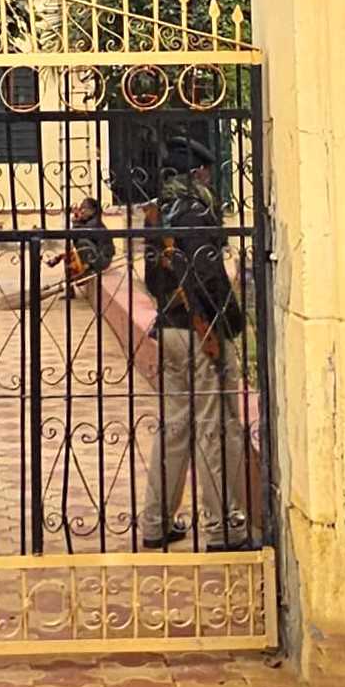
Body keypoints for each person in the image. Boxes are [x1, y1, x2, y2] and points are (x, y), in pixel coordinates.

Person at [139, 135, 250, 551]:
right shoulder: (196, 210)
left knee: (174, 429)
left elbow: (153, 277)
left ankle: (156, 523)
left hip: (166, 329)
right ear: (199, 173)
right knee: (216, 428)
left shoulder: (156, 214)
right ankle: (225, 528)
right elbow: (206, 274)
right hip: (199, 330)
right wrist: (223, 326)